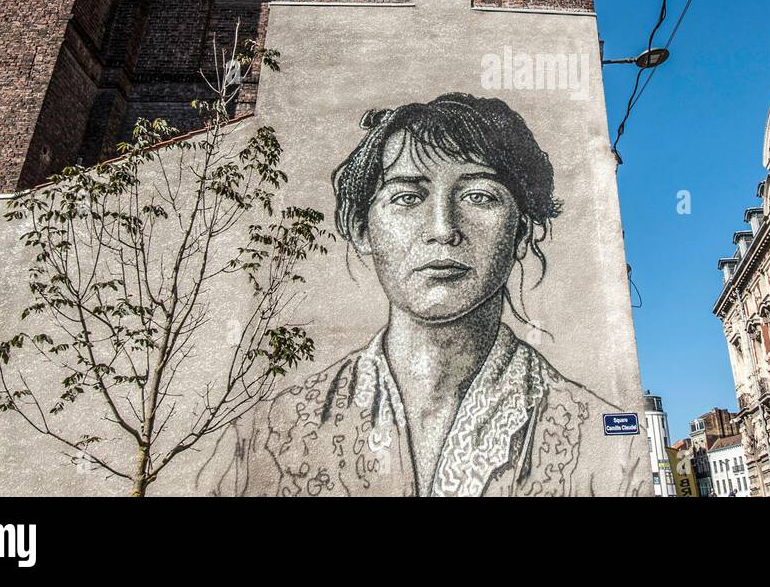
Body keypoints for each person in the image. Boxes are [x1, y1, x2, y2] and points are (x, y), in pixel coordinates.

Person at [199, 92, 647, 496]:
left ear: (522, 233)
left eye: (478, 196)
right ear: (362, 230)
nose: (442, 230)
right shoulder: (262, 438)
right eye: (407, 198)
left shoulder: (606, 447)